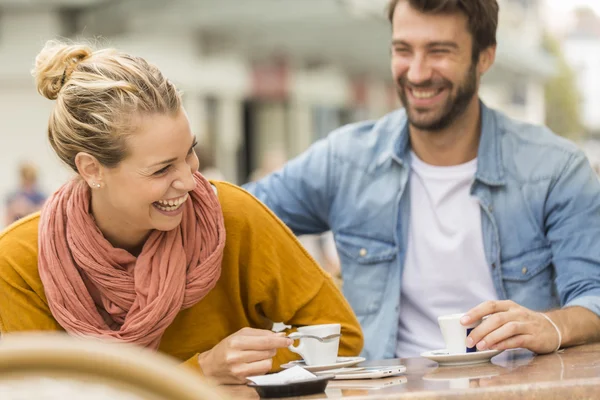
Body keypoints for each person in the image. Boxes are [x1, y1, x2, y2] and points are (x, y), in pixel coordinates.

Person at [244, 0, 600, 360]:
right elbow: (233, 218)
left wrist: (550, 326)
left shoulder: (555, 169)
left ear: (485, 57)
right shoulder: (345, 161)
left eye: (439, 51)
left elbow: (594, 296)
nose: (416, 73)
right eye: (403, 50)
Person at [0, 40, 363, 385]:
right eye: (161, 169)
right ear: (91, 169)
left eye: (190, 153)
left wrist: (254, 376)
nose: (190, 182)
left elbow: (340, 336)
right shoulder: (19, 261)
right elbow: (44, 391)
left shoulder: (233, 216)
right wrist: (201, 376)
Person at [4, 162, 46, 226]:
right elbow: (7, 221)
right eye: (26, 179)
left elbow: (44, 215)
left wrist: (28, 209)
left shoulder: (41, 197)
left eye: (30, 179)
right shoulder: (13, 197)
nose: (28, 182)